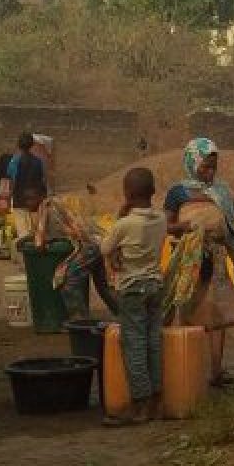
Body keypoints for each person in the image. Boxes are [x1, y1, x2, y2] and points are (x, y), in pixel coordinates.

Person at [163, 138, 234, 387]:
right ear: (192, 163)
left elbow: (232, 228)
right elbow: (166, 226)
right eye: (205, 167)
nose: (210, 173)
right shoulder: (177, 192)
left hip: (215, 259)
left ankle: (215, 371)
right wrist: (186, 227)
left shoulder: (221, 191)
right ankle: (188, 370)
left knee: (216, 314)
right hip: (188, 260)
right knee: (187, 310)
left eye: (213, 168)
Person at [102, 167, 168, 426]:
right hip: (155, 286)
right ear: (153, 192)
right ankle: (156, 402)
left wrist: (121, 213)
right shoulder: (161, 219)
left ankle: (140, 405)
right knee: (153, 342)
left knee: (134, 345)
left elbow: (105, 247)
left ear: (127, 195)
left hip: (132, 289)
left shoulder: (125, 224)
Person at [33, 192, 120, 321]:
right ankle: (129, 317)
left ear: (39, 196)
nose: (27, 204)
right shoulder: (59, 202)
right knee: (104, 286)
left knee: (69, 280)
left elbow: (39, 244)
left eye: (29, 199)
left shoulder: (46, 207)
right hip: (99, 241)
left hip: (89, 245)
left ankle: (80, 323)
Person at [7, 132, 47, 240]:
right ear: (32, 144)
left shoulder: (14, 161)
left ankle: (25, 249)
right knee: (34, 230)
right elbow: (41, 179)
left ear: (18, 144)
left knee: (23, 231)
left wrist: (10, 197)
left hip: (19, 198)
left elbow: (12, 180)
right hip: (34, 199)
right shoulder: (38, 161)